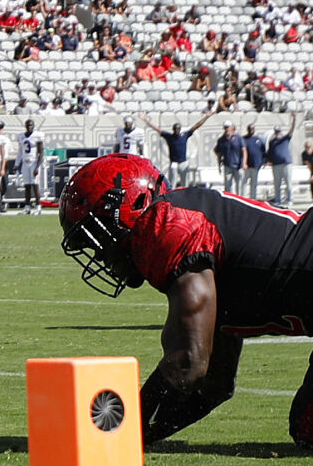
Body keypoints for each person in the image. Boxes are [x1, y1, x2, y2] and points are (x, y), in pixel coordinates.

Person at [59, 153, 313, 449]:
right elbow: (214, 383)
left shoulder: (167, 225)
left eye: (98, 238)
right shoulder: (193, 239)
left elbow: (188, 363)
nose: (100, 254)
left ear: (131, 207)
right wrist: (144, 434)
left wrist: (115, 428)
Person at [144, 110, 214, 188]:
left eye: (178, 129)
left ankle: (185, 196)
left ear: (180, 129)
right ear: (173, 129)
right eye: (175, 129)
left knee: (185, 183)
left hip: (183, 162)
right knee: (172, 183)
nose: (176, 130)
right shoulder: (169, 136)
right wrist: (146, 121)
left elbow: (196, 126)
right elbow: (157, 129)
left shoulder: (184, 135)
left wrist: (206, 117)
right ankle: (171, 195)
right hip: (174, 163)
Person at [267, 117, 298, 208]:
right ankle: (278, 200)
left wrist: (294, 120)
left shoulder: (285, 138)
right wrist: (269, 161)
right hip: (276, 165)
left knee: (288, 182)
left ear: (281, 132)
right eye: (276, 132)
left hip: (286, 164)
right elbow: (270, 152)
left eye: (279, 131)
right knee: (277, 183)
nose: (278, 133)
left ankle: (289, 200)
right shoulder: (272, 142)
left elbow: (291, 130)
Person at [18, 118, 46, 214]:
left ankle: (38, 207)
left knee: (35, 185)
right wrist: (17, 164)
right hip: (25, 162)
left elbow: (41, 152)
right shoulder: (21, 136)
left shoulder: (37, 136)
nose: (29, 127)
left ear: (33, 126)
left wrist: (37, 166)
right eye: (28, 125)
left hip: (34, 162)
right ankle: (27, 207)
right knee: (27, 186)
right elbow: (20, 151)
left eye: (31, 125)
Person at [214, 122, 245, 194]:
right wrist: (219, 165)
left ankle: (240, 201)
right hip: (227, 165)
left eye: (228, 127)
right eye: (225, 127)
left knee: (239, 185)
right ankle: (230, 201)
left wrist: (244, 162)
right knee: (228, 186)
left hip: (238, 165)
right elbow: (218, 152)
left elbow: (244, 150)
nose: (226, 129)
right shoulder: (221, 140)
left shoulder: (238, 138)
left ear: (232, 128)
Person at [241, 124, 267, 200]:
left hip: (256, 165)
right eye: (249, 129)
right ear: (247, 129)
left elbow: (264, 151)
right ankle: (243, 198)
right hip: (246, 166)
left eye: (252, 129)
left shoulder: (259, 139)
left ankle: (253, 198)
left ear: (254, 130)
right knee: (244, 183)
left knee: (254, 183)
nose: (251, 130)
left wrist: (264, 161)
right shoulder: (243, 139)